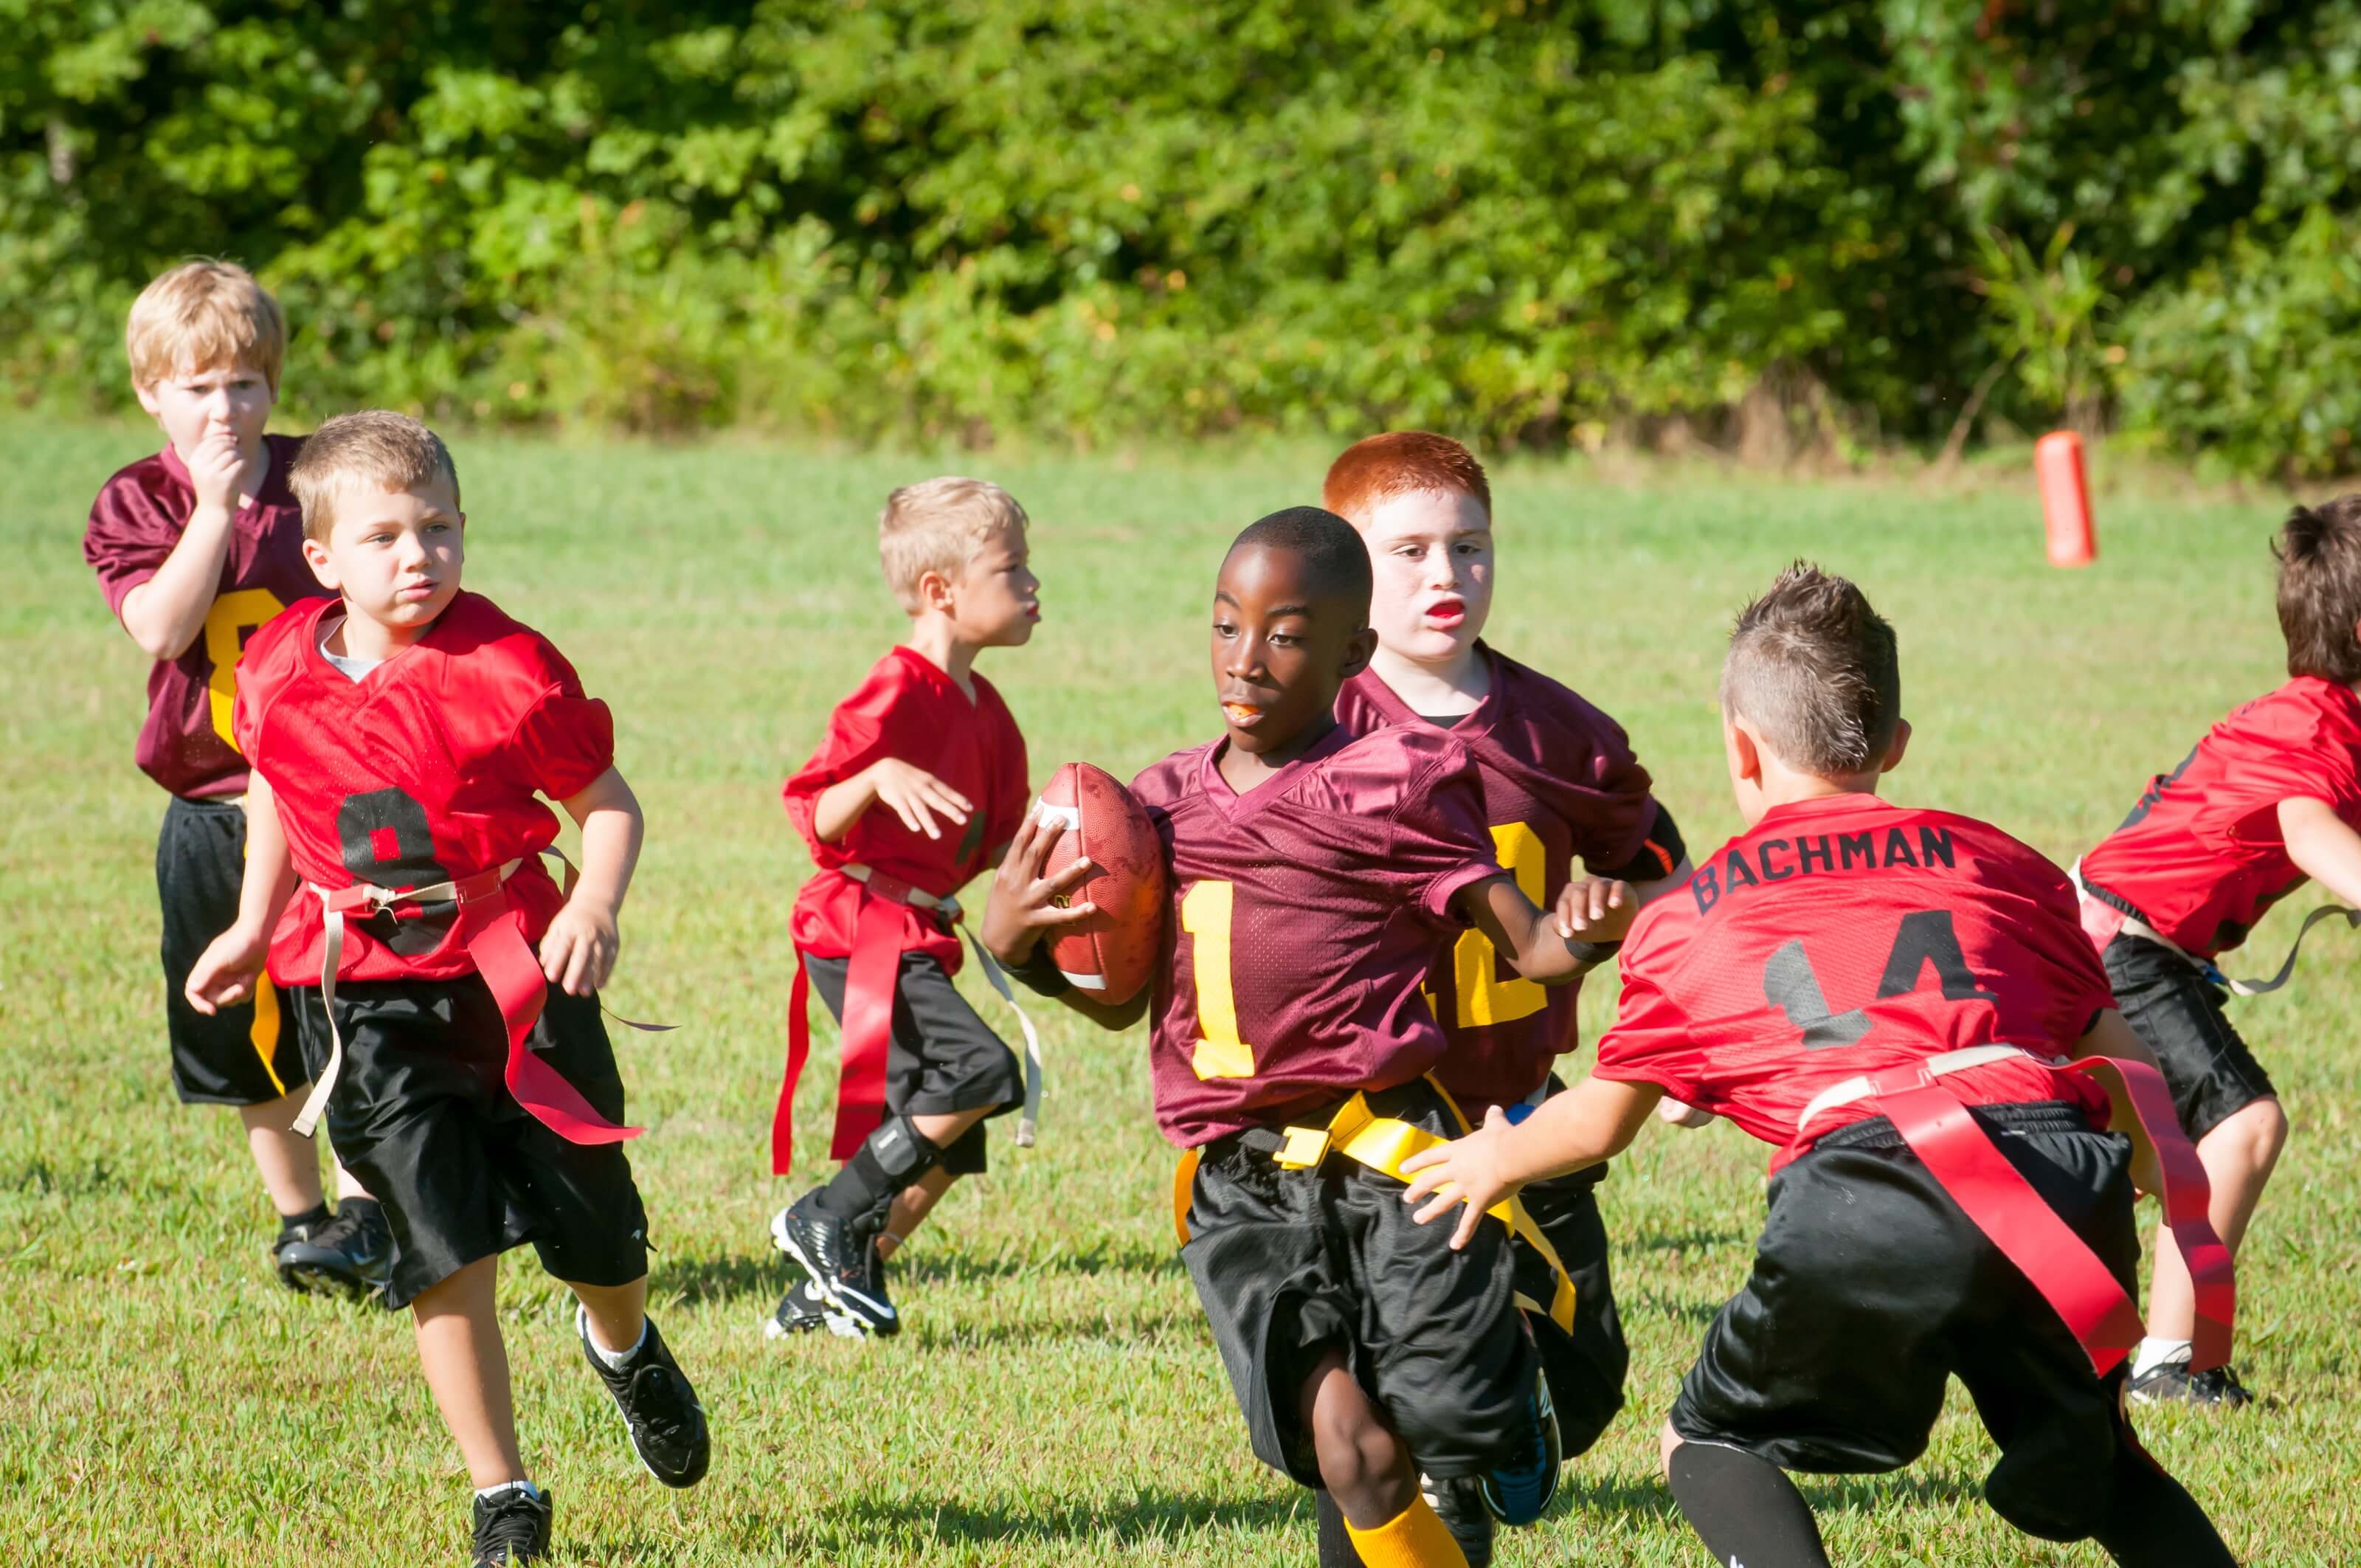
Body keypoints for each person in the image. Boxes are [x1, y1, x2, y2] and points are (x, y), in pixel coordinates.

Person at [1397, 564, 2240, 1568]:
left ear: (1739, 750)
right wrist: (2142, 1172)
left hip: (1867, 1188)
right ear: (1895, 744)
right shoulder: (2003, 863)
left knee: (1710, 1441)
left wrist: (1492, 1159)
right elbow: (2124, 1065)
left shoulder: (1691, 915)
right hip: (2053, 1178)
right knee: (2110, 1473)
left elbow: (1600, 1121)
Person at [982, 506, 1631, 1568]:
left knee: (1449, 1422)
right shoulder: (1161, 806)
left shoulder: (1396, 785)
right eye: (1224, 625)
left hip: (1393, 1154)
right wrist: (1019, 946)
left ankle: (1509, 1370)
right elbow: (1122, 1005)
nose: (1245, 659)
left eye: (1284, 636)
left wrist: (1587, 931)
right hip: (1238, 1182)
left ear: (1352, 654)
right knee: (1350, 1450)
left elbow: (1531, 949)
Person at [184, 411, 708, 1566]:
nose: (418, 555)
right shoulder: (276, 664)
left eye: (439, 529)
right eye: (383, 537)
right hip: (367, 999)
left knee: (598, 1232)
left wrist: (594, 904)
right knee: (440, 1247)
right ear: (322, 559)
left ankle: (623, 1346)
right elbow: (275, 784)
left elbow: (607, 802)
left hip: (516, 977)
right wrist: (253, 923)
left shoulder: (509, 669)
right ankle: (502, 1491)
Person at [1321, 431, 1691, 1564]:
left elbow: (1670, 881)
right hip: (1381, 1117)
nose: (1445, 575)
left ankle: (1500, 1411)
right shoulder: (1317, 726)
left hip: (1526, 1096)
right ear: (1345, 567)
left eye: (1469, 547)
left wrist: (1616, 918)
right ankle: (1444, 1472)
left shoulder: (1559, 731)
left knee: (1588, 1380)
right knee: (1397, 1398)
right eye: (1409, 552)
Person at [80, 258, 385, 1296]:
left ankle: (369, 1211)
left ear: (274, 384)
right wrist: (213, 510)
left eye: (245, 384)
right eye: (199, 387)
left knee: (356, 1005)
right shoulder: (139, 498)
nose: (224, 408)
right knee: (245, 1023)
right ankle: (303, 1220)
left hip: (334, 800)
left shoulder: (320, 482)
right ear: (150, 391)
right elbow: (161, 629)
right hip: (213, 803)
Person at [2074, 498, 2361, 1408]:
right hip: (2122, 945)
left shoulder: (2316, 714)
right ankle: (2168, 1366)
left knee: (2147, 1161)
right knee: (2239, 1130)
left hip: (2115, 938)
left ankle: (2142, 1353)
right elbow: (2307, 828)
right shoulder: (2312, 731)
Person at [768, 477, 1040, 1339]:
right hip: (858, 930)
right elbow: (812, 815)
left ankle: (831, 1289)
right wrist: (876, 774)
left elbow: (999, 845)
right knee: (979, 1072)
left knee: (953, 1133)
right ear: (940, 589)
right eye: (1012, 568)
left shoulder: (989, 713)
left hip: (918, 932)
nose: (1033, 584)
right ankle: (823, 1216)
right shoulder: (894, 689)